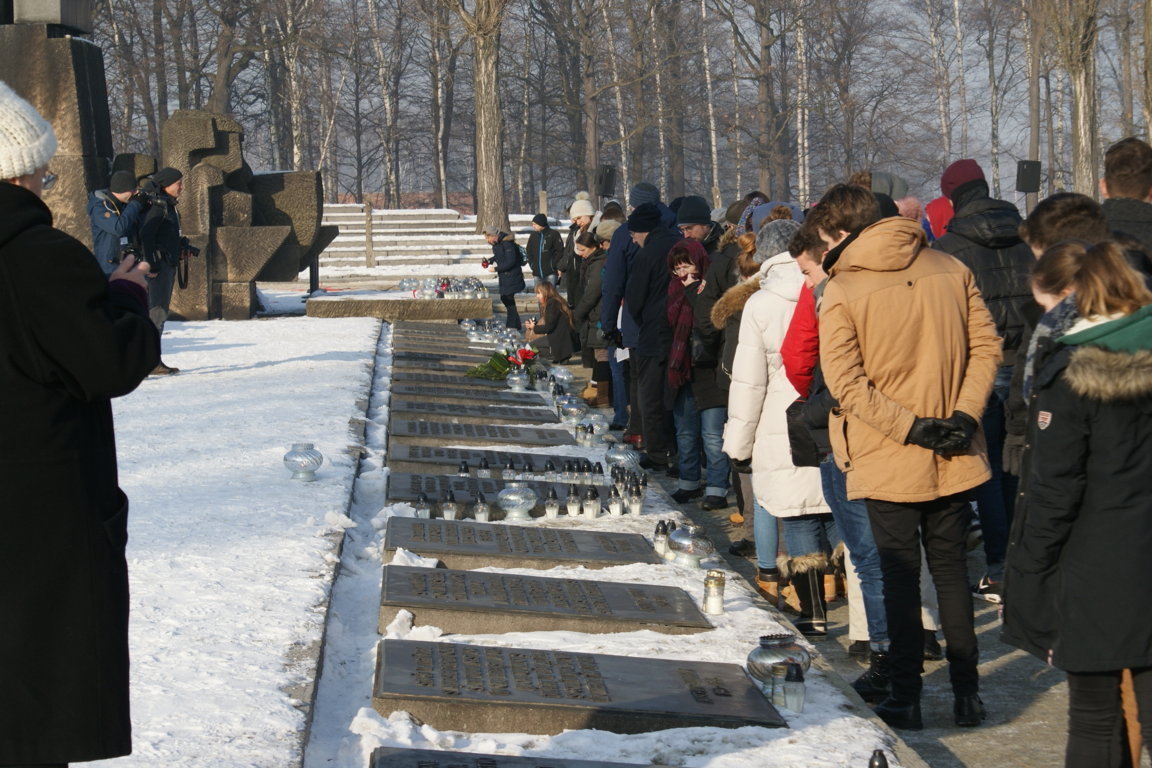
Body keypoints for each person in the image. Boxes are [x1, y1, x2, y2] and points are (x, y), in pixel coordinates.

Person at [0, 79, 159, 767]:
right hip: (33, 524)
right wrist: (125, 297)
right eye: (41, 172)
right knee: (30, 713)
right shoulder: (33, 257)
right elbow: (106, 363)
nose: (44, 186)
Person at [817, 183, 1001, 730]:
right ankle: (967, 694)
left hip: (891, 448)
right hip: (951, 441)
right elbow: (987, 347)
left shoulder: (843, 288)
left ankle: (907, 694)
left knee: (900, 576)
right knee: (949, 571)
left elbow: (846, 385)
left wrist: (914, 427)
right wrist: (964, 416)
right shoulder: (949, 267)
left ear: (845, 232)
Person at [1001, 240, 1152, 767]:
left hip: (1099, 567)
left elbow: (1055, 489)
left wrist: (1029, 566)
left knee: (1093, 713)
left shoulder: (1072, 377)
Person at [723, 214, 835, 638]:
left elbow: (749, 382)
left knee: (798, 516)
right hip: (829, 413)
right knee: (830, 510)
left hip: (779, 422)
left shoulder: (761, 303)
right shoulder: (827, 287)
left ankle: (814, 611)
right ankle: (840, 588)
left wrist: (738, 443)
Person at [933, 158, 1035, 603]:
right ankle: (1023, 562)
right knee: (1019, 461)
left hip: (981, 364)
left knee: (988, 467)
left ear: (953, 196)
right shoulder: (1026, 238)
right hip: (1027, 359)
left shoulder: (950, 248)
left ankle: (997, 567)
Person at [624, 202, 681, 471]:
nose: (633, 240)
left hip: (654, 333)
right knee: (677, 396)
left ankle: (658, 452)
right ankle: (679, 451)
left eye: (634, 234)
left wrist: (643, 319)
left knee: (651, 395)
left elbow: (634, 298)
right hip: (681, 331)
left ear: (644, 230)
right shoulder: (680, 244)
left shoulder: (647, 255)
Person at [138, 166, 187, 375]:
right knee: (156, 313)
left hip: (165, 264)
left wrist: (182, 246)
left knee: (158, 313)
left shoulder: (167, 205)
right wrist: (152, 264)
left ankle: (152, 359)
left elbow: (164, 234)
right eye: (179, 183)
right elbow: (147, 236)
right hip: (159, 269)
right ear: (166, 185)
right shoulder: (158, 207)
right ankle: (150, 362)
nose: (181, 187)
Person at [570, 229, 610, 406]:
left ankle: (601, 396)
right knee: (597, 352)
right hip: (593, 314)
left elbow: (592, 292)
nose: (581, 254)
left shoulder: (599, 264)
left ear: (593, 247)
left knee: (601, 353)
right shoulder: (591, 263)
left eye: (583, 250)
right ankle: (596, 390)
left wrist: (578, 313)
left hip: (598, 313)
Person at [87, 169, 145, 276]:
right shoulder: (100, 207)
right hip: (109, 267)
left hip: (128, 263)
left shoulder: (123, 204)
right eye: (133, 190)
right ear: (122, 190)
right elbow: (118, 228)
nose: (135, 193)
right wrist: (135, 204)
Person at [482, 227, 526, 330]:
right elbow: (499, 256)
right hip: (505, 276)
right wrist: (490, 261)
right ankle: (517, 325)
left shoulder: (507, 243)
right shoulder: (497, 244)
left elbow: (510, 261)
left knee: (508, 299)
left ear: (493, 236)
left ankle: (510, 328)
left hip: (512, 276)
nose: (487, 240)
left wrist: (496, 269)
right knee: (506, 298)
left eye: (487, 238)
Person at [525, 280, 576, 363]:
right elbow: (551, 322)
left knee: (530, 347)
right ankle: (558, 356)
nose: (536, 296)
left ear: (545, 293)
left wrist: (534, 327)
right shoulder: (555, 301)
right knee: (534, 346)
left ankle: (557, 355)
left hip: (559, 339)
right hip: (561, 338)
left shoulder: (552, 304)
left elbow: (549, 327)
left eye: (539, 293)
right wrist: (534, 324)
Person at [560, 192, 595, 305]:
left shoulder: (595, 231)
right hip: (577, 275)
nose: (577, 222)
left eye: (579, 218)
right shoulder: (577, 231)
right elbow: (569, 251)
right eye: (575, 219)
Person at [525, 213, 563, 285]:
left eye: (535, 224)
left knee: (550, 295)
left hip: (550, 273)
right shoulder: (533, 235)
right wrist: (532, 264)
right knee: (539, 295)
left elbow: (560, 251)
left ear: (541, 224)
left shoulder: (554, 234)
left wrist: (553, 264)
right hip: (537, 273)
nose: (533, 226)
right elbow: (529, 251)